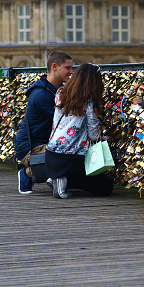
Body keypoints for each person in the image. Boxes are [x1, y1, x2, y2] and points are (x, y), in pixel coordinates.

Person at [45, 63, 114, 199]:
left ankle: (57, 178)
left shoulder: (60, 93)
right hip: (70, 159)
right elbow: (94, 134)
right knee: (106, 188)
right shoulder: (89, 102)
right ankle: (65, 180)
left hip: (51, 154)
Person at [15, 51, 74, 194]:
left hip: (43, 143)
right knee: (67, 154)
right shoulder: (41, 95)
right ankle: (28, 173)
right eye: (67, 68)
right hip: (30, 147)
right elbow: (65, 121)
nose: (71, 72)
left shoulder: (53, 89)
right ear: (54, 66)